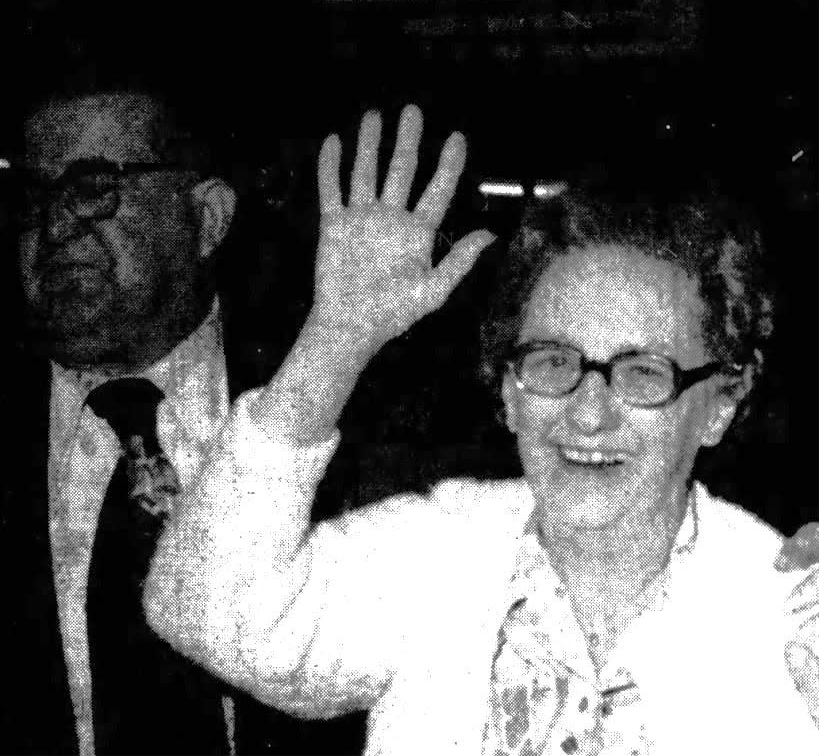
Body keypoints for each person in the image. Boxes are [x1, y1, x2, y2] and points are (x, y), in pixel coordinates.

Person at [144, 105, 819, 755]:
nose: (588, 411)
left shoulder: (781, 612)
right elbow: (204, 610)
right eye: (553, 361)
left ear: (721, 402)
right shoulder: (435, 557)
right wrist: (335, 340)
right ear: (506, 391)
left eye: (643, 373)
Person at [0, 79, 365, 755]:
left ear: (206, 219)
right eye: (33, 193)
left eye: (93, 185)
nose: (53, 228)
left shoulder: (335, 412)